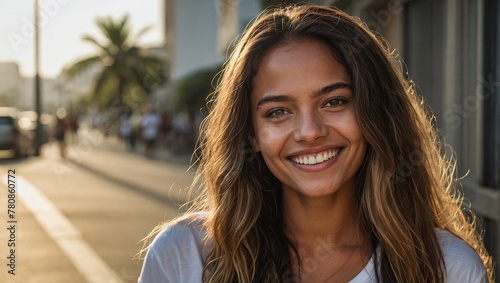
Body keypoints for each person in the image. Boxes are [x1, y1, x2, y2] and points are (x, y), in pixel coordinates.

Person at [138, 4, 494, 283]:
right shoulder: (183, 256)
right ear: (251, 134)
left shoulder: (448, 268)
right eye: (278, 111)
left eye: (334, 101)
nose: (309, 131)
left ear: (376, 114)